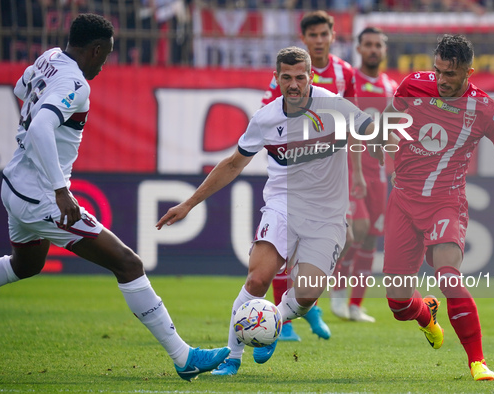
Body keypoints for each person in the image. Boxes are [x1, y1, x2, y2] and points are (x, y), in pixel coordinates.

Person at [0, 13, 230, 381]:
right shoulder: (76, 82)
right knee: (128, 264)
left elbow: (21, 91)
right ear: (96, 49)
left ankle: (184, 356)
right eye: (105, 56)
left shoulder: (49, 58)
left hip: (14, 185)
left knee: (25, 266)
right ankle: (184, 357)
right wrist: (61, 191)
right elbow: (42, 124)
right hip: (42, 196)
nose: (104, 65)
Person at [157, 46, 375, 376]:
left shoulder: (333, 105)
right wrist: (189, 203)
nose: (293, 85)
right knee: (258, 278)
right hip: (282, 206)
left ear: (310, 77)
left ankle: (274, 319)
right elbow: (232, 164)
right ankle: (232, 357)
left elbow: (368, 125)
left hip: (327, 215)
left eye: (300, 77)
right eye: (286, 78)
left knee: (306, 295)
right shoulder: (265, 118)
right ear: (276, 78)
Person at [372, 34, 494, 381]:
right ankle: (426, 314)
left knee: (448, 276)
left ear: (469, 72)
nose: (442, 80)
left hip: (446, 202)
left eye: (451, 74)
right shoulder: (414, 85)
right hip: (402, 200)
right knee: (399, 304)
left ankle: (477, 361)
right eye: (438, 71)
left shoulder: (486, 110)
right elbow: (387, 121)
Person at [261, 10, 357, 342]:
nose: (318, 41)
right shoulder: (288, 71)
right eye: (312, 35)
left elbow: (356, 127)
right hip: (294, 170)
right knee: (281, 244)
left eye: (323, 35)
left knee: (348, 239)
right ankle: (283, 321)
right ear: (304, 38)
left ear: (332, 36)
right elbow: (272, 116)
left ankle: (307, 299)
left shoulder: (345, 73)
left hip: (329, 173)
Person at [330, 27, 398, 323]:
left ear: (384, 51)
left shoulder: (390, 87)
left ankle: (356, 306)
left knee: (371, 238)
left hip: (378, 173)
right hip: (349, 166)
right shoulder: (350, 81)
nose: (373, 50)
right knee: (356, 227)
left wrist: (398, 168)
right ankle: (335, 288)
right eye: (367, 44)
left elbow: (392, 132)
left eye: (378, 45)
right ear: (358, 49)